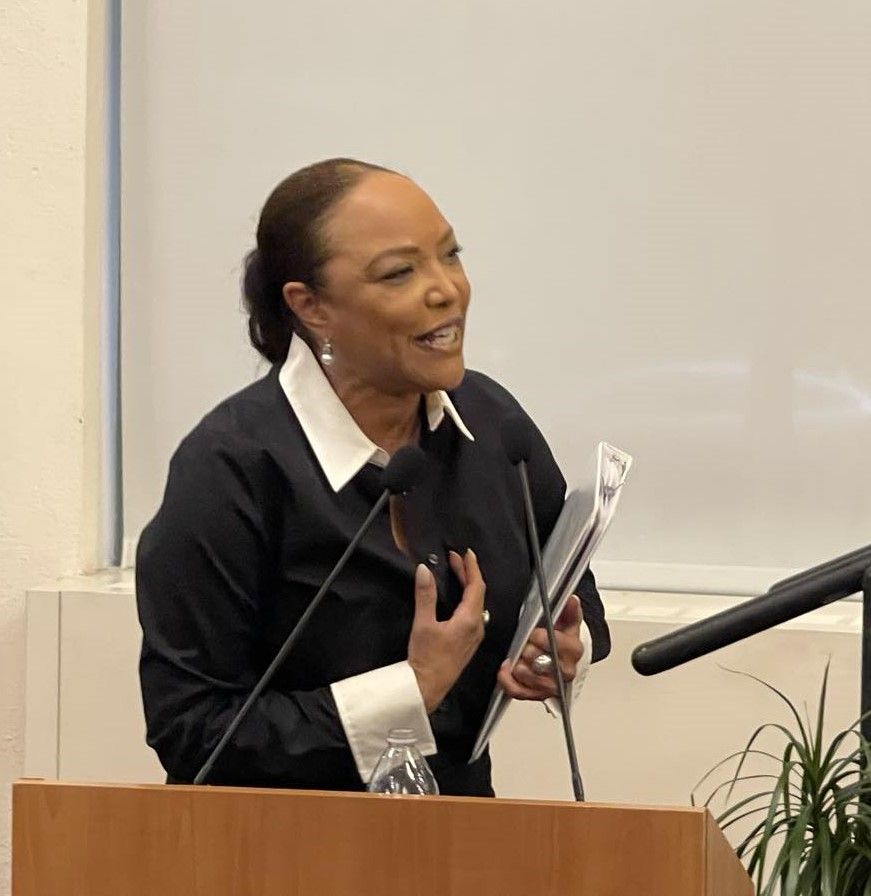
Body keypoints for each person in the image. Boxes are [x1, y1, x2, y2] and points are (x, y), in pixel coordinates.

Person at [135, 158, 610, 797]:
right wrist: (409, 692)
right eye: (400, 273)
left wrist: (558, 653)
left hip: (457, 844)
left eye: (451, 255)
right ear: (311, 307)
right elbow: (192, 730)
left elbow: (571, 597)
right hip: (271, 856)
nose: (446, 290)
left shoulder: (493, 425)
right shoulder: (231, 467)